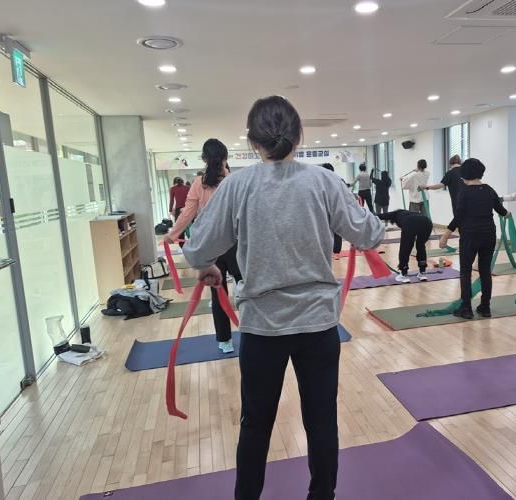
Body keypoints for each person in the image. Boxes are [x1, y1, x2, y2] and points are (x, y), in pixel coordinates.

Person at [183, 96, 384, 500]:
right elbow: (370, 234)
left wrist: (207, 265)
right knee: (321, 421)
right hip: (317, 325)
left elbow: (197, 248)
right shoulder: (324, 181)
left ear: (253, 141)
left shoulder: (238, 185)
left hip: (263, 327)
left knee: (256, 424)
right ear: (299, 135)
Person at [165, 139, 237, 354]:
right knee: (249, 290)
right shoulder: (234, 180)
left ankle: (225, 341)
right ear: (225, 157)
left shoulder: (198, 183)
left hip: (210, 245)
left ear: (204, 159)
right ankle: (255, 333)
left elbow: (187, 213)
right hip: (235, 244)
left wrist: (173, 234)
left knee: (218, 294)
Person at [439, 159, 508, 320]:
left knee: (466, 271)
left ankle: (466, 308)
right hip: (489, 235)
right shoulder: (489, 190)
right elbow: (501, 210)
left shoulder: (464, 192)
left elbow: (458, 217)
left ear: (464, 174)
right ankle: (485, 307)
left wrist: (445, 235)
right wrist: (508, 214)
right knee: (485, 271)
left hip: (470, 235)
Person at [377, 210, 433, 283]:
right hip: (427, 222)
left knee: (405, 248)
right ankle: (422, 272)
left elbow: (381, 216)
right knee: (421, 245)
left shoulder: (395, 213)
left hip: (410, 223)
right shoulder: (407, 213)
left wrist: (366, 217)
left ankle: (403, 274)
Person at [321, 163, 344, 257]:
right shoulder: (339, 180)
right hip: (336, 209)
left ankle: (331, 250)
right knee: (337, 230)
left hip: (325, 210)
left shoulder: (319, 182)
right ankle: (336, 251)